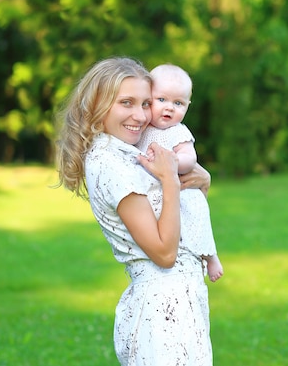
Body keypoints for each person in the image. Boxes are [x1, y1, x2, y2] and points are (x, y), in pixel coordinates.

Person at [56, 57, 213, 366]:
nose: (140, 116)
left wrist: (200, 178)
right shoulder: (111, 165)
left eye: (145, 103)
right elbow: (164, 253)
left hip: (181, 301)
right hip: (162, 311)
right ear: (97, 105)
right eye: (126, 102)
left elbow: (182, 206)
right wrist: (170, 177)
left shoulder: (129, 154)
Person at [136, 63, 223, 282]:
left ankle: (210, 256)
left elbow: (190, 158)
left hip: (184, 194)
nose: (169, 108)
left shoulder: (178, 132)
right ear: (148, 99)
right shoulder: (142, 128)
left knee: (196, 222)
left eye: (178, 103)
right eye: (162, 100)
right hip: (158, 193)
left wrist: (174, 162)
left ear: (187, 106)